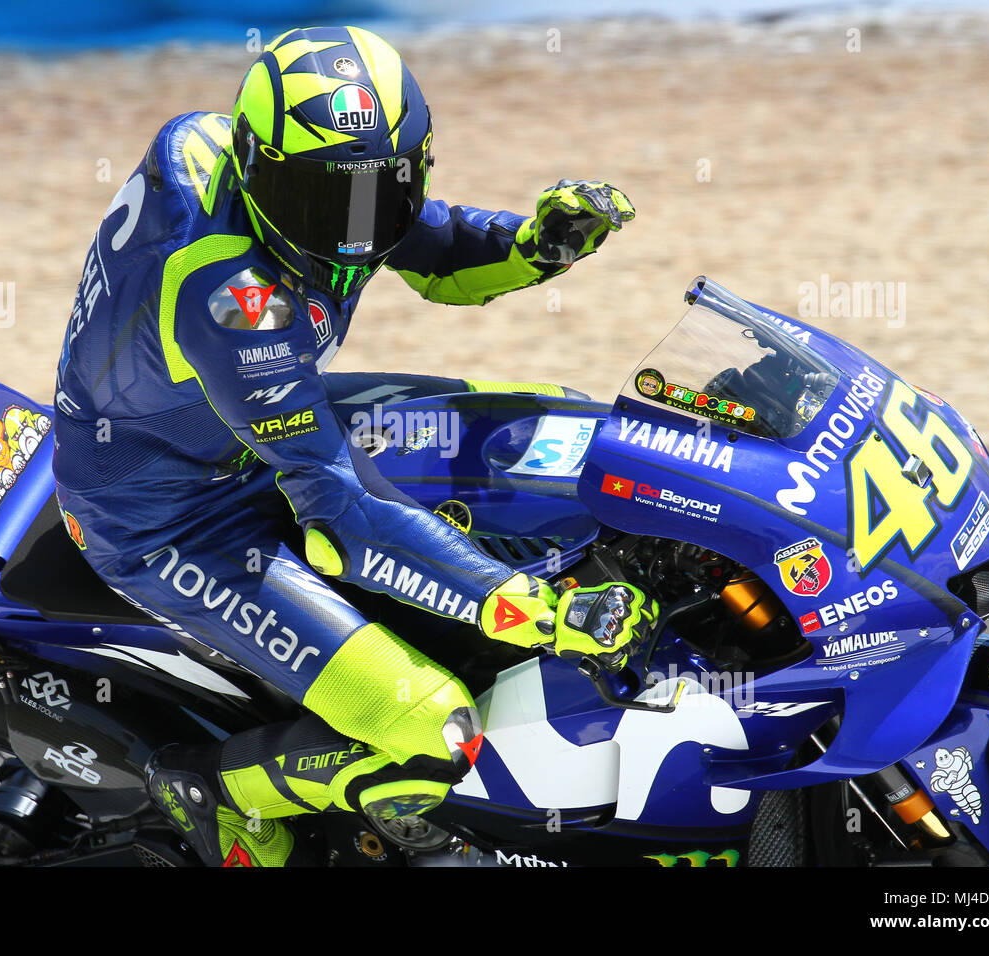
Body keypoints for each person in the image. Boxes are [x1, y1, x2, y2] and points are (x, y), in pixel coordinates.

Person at [52, 24, 657, 867]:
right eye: (328, 203)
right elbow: (343, 518)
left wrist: (533, 245)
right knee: (436, 730)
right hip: (168, 518)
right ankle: (218, 791)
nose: (358, 230)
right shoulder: (236, 300)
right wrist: (530, 611)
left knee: (535, 418)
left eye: (384, 191)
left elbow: (430, 243)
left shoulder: (274, 165)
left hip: (245, 426)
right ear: (263, 173)